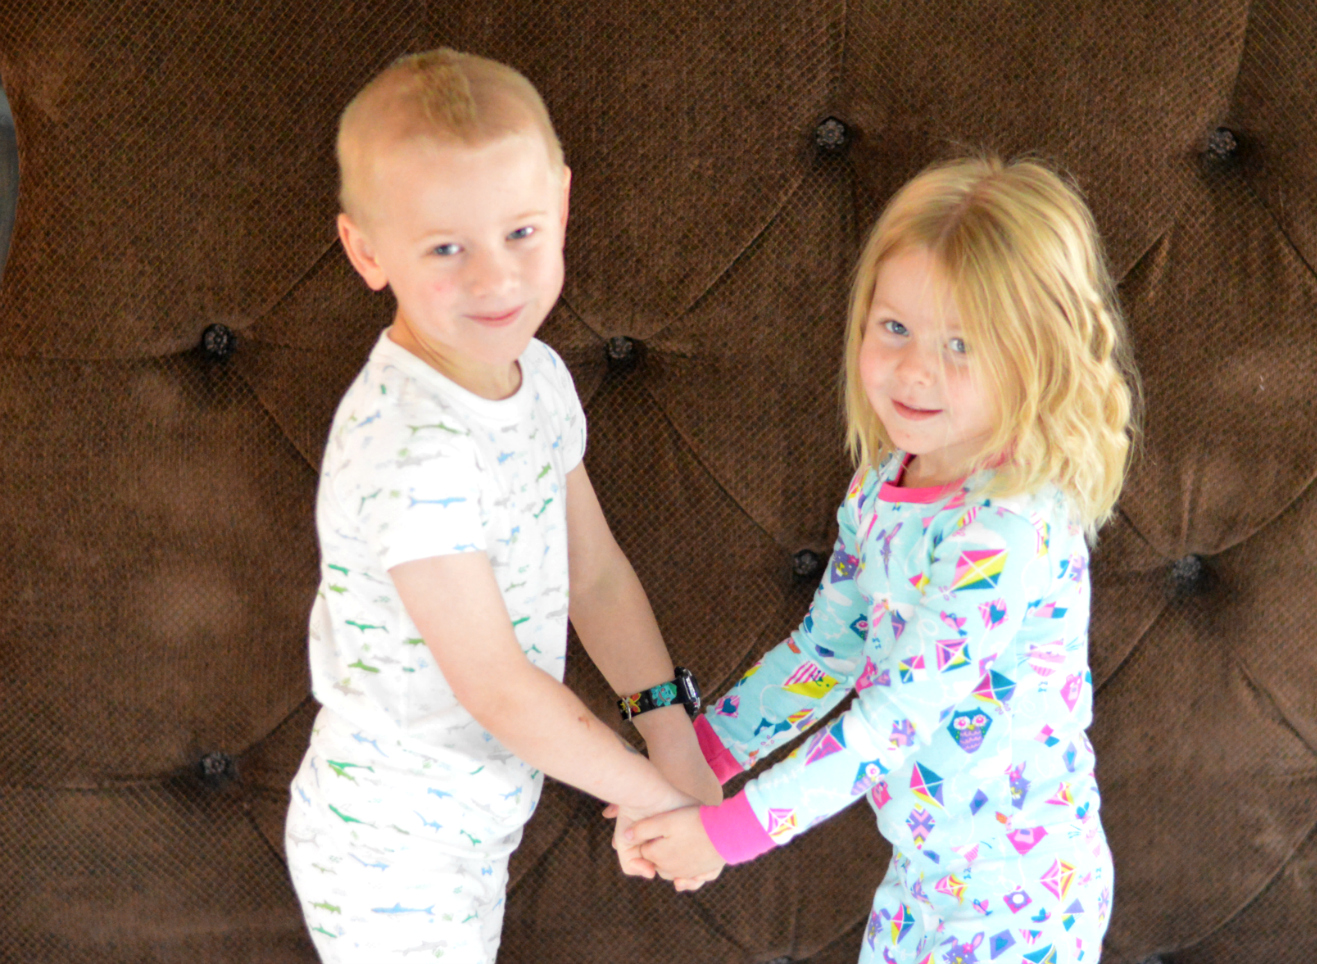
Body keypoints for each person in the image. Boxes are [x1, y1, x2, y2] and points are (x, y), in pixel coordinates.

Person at [621, 154, 1138, 964]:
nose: (914, 370)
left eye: (961, 344)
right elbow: (825, 651)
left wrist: (725, 833)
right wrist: (698, 760)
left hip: (1024, 900)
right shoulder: (882, 484)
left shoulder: (1002, 532)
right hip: (924, 879)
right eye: (894, 328)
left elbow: (893, 719)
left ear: (1035, 357)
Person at [284, 48, 719, 964]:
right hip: (387, 848)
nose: (495, 280)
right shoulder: (412, 445)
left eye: (521, 232)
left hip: (475, 824)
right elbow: (497, 689)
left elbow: (595, 577)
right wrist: (657, 800)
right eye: (446, 248)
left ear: (561, 204)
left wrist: (673, 741)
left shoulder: (539, 376)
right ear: (368, 251)